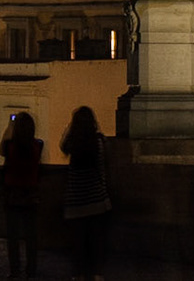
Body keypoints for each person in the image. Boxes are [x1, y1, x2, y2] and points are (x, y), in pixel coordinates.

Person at [59, 107, 111, 281]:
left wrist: (70, 127)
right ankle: (97, 275)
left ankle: (78, 275)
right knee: (96, 243)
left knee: (78, 245)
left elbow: (62, 145)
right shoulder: (98, 142)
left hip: (75, 202)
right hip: (96, 200)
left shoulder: (73, 143)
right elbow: (103, 170)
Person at [0, 111, 45, 277]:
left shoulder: (10, 146)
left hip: (13, 195)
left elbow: (1, 150)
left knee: (13, 237)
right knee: (31, 237)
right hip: (31, 195)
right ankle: (31, 270)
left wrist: (10, 127)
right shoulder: (38, 145)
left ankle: (15, 270)